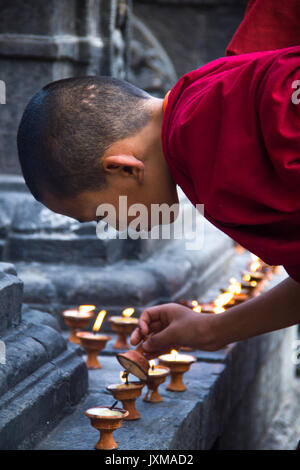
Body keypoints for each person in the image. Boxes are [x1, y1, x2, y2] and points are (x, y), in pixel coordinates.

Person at [17, 1, 300, 359]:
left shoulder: (218, 166)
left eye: (104, 216)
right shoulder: (213, 93)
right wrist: (212, 329)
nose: (119, 229)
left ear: (124, 167)